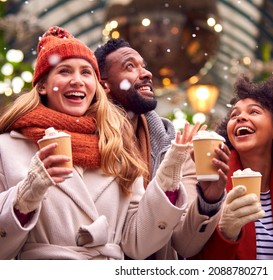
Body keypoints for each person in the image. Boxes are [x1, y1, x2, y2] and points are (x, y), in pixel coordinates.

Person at [0, 26, 228, 260]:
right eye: (65, 71)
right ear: (42, 85)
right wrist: (26, 195)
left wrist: (168, 175)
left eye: (86, 72)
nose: (78, 81)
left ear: (96, 86)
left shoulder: (118, 148)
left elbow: (137, 244)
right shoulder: (6, 148)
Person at [94, 38, 230, 259]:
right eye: (130, 66)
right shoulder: (89, 142)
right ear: (104, 85)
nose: (146, 73)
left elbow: (184, 245)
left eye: (143, 65)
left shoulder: (174, 146)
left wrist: (209, 199)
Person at [190, 74, 273, 259]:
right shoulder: (213, 180)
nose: (240, 118)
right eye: (234, 114)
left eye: (253, 112)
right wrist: (226, 232)